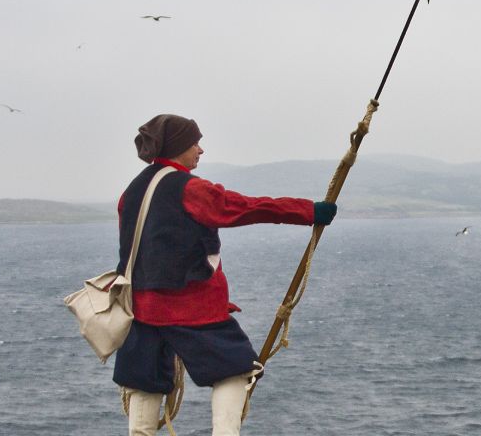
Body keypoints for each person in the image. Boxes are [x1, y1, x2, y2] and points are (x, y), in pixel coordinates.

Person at [113, 114, 338, 436]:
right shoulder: (191, 188)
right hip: (190, 308)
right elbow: (245, 207)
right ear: (178, 146)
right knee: (235, 371)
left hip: (142, 308)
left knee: (143, 380)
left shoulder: (132, 190)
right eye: (195, 143)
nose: (200, 150)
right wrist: (309, 212)